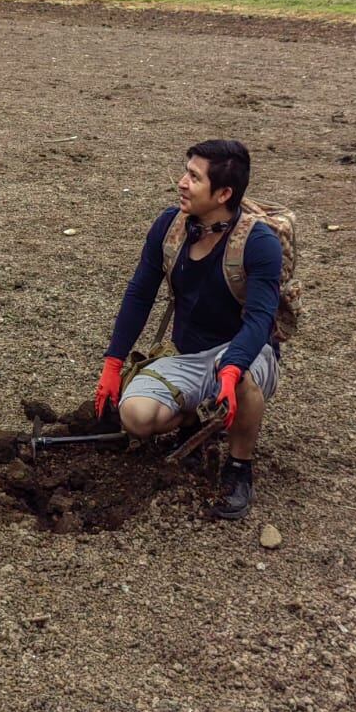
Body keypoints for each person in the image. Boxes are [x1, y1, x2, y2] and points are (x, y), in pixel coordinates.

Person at [92, 141, 284, 520]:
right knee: (135, 416)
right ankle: (198, 419)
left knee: (240, 378)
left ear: (223, 193)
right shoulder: (171, 227)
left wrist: (232, 368)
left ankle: (239, 467)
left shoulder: (259, 242)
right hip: (187, 354)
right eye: (185, 172)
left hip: (245, 350)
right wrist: (113, 363)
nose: (181, 183)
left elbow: (261, 319)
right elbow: (140, 293)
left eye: (194, 178)